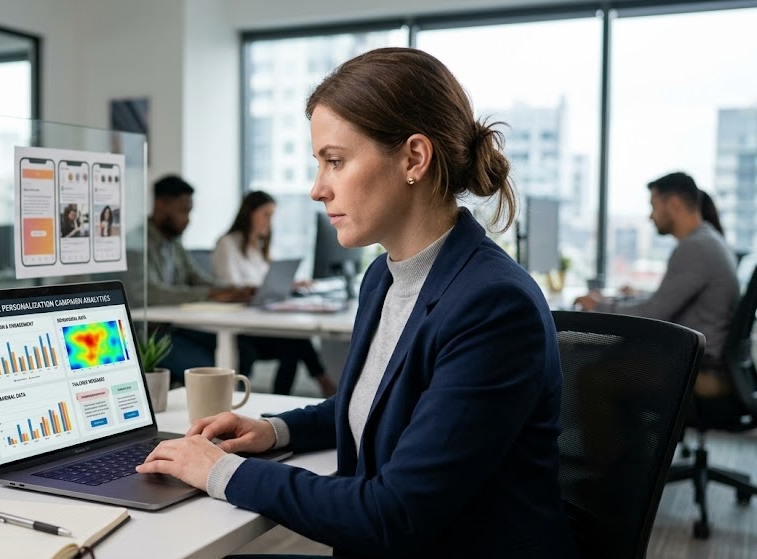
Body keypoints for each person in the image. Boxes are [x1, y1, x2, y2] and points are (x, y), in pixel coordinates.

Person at [138, 47, 575, 557]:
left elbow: (392, 515)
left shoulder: (494, 306)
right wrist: (273, 431)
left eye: (335, 161)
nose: (317, 189)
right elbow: (378, 405)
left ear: (414, 158)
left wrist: (222, 472)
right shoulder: (384, 277)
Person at [574, 172, 739, 381]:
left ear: (674, 204)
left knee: (588, 373)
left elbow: (653, 313)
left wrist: (598, 307)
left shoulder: (696, 247)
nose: (650, 216)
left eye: (654, 205)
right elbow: (664, 301)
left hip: (698, 366)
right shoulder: (710, 241)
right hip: (704, 360)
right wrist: (614, 301)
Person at [212, 190, 336, 397]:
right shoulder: (227, 244)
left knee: (296, 342)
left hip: (261, 320)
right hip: (242, 327)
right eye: (266, 215)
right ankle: (323, 385)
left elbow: (269, 282)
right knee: (298, 341)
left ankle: (284, 395)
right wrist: (261, 289)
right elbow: (231, 287)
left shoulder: (260, 247)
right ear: (249, 213)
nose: (269, 222)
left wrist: (291, 284)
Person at [143, 175, 255, 385]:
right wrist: (210, 294)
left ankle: (233, 406)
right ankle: (214, 411)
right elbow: (153, 292)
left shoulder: (173, 244)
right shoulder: (138, 243)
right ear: (161, 205)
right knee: (209, 366)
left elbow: (197, 279)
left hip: (176, 327)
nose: (188, 219)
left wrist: (234, 289)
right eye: (183, 210)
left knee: (244, 351)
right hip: (150, 335)